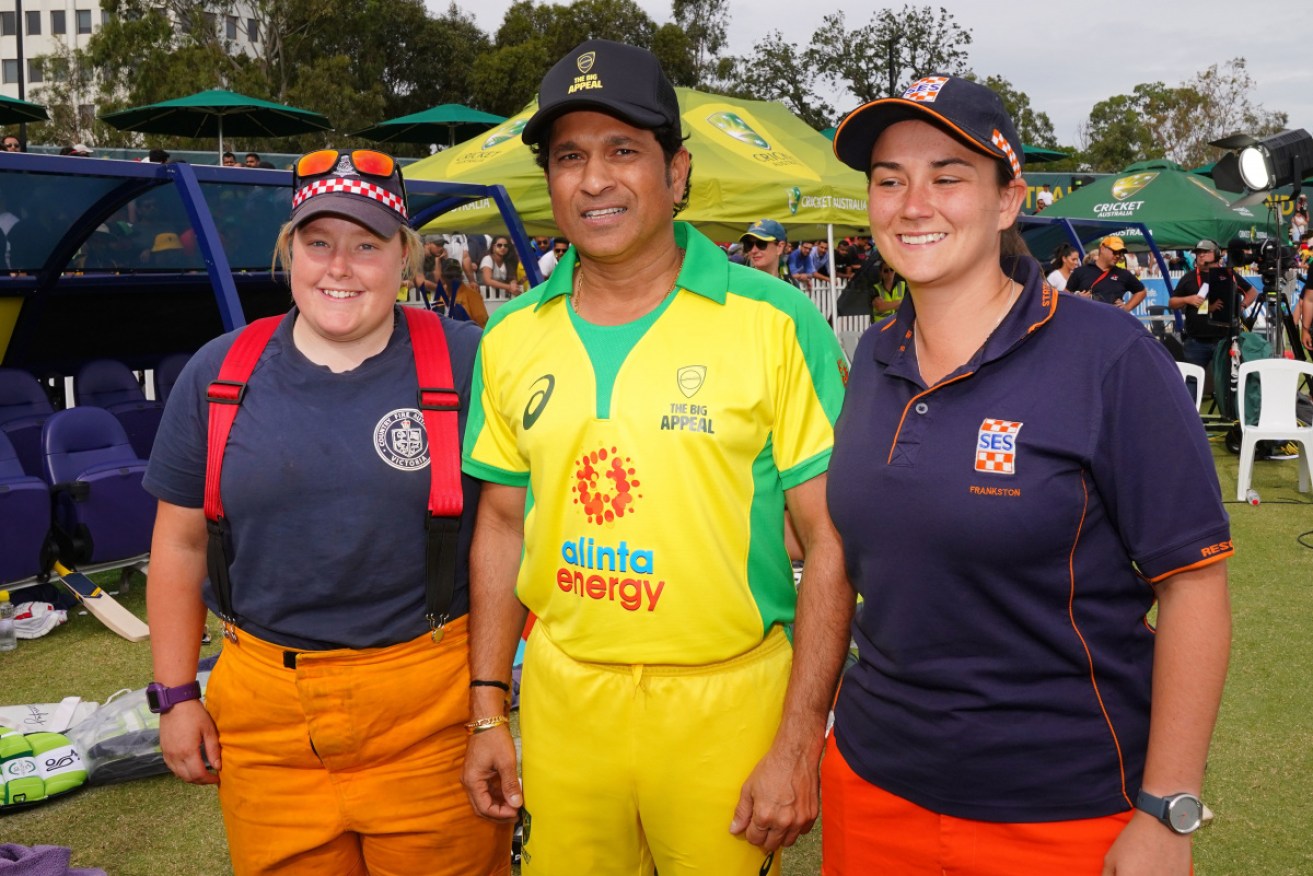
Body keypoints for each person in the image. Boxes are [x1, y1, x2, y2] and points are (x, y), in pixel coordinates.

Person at [460, 38, 853, 876]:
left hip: (729, 698)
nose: (593, 179)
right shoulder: (510, 333)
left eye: (622, 151)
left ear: (675, 173)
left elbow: (831, 543)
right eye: (569, 157)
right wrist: (489, 710)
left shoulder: (777, 321)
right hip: (566, 702)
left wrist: (794, 741)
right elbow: (499, 527)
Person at [825, 73, 1231, 875]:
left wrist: (1165, 810)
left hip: (1062, 809)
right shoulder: (874, 355)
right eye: (888, 179)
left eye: (947, 177)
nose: (914, 203)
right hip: (871, 786)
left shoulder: (1109, 358)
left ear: (1008, 200)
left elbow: (1194, 588)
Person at [143, 147, 511, 875]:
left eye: (366, 246)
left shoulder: (473, 362)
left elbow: (507, 528)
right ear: (290, 252)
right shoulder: (219, 373)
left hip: (427, 715)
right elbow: (179, 547)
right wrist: (177, 694)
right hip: (265, 721)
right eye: (318, 243)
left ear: (405, 257)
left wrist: (489, 708)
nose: (338, 268)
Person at [1167, 239, 1256, 370]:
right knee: (1193, 382)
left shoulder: (1229, 275)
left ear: (1217, 253)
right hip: (1195, 341)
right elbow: (1172, 303)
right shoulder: (1188, 278)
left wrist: (1241, 307)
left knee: (1223, 383)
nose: (1201, 255)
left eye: (1205, 252)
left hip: (1223, 340)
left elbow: (1252, 292)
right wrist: (1188, 299)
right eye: (1198, 252)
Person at [1067, 235, 1147, 312]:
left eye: (1120, 253)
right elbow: (1065, 295)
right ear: (1102, 249)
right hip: (1086, 321)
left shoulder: (1123, 274)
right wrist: (1077, 297)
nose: (1118, 256)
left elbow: (1141, 291)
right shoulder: (1081, 271)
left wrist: (1127, 307)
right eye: (1115, 252)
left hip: (1112, 322)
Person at [433, 257, 489, 327]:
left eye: (457, 276)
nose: (454, 279)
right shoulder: (441, 294)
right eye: (450, 276)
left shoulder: (473, 296)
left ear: (461, 276)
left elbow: (482, 325)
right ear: (443, 277)